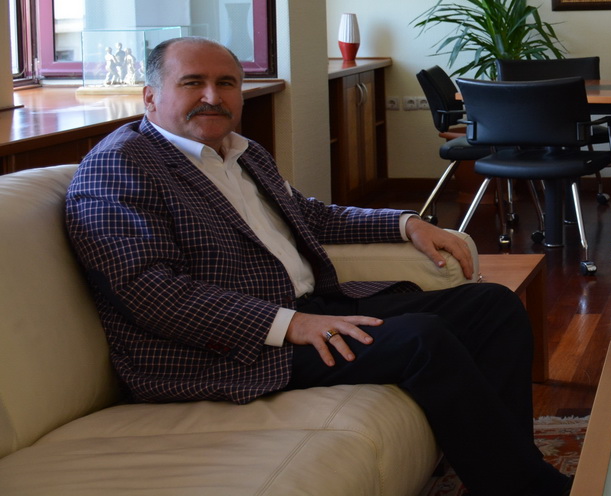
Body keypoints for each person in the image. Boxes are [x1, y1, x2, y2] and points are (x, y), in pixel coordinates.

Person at [65, 36, 570, 496]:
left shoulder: (241, 152)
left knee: (493, 307)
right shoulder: (122, 164)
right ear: (151, 97)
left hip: (309, 309)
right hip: (227, 349)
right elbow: (149, 291)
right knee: (423, 338)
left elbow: (308, 215)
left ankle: (507, 467)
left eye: (227, 83)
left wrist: (406, 224)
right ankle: (527, 490)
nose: (213, 97)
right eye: (192, 83)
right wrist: (290, 324)